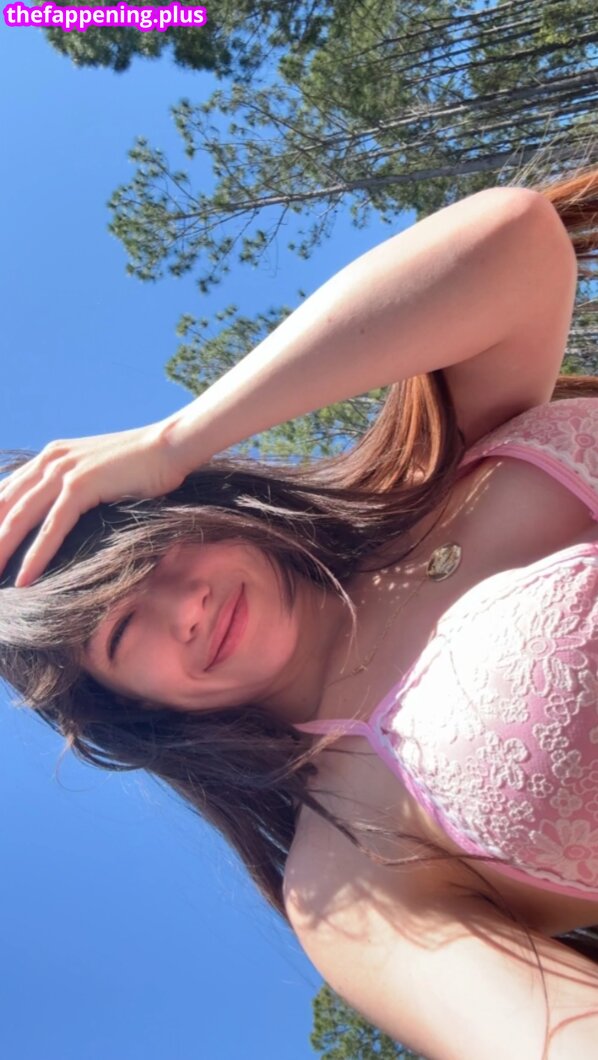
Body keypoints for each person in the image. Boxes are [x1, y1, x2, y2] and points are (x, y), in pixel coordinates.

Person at [1, 166, 598, 1058]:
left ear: (200, 510)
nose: (185, 607)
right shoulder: (350, 867)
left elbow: (516, 240)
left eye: (160, 555)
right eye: (122, 632)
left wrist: (177, 439)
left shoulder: (445, 474)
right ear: (133, 708)